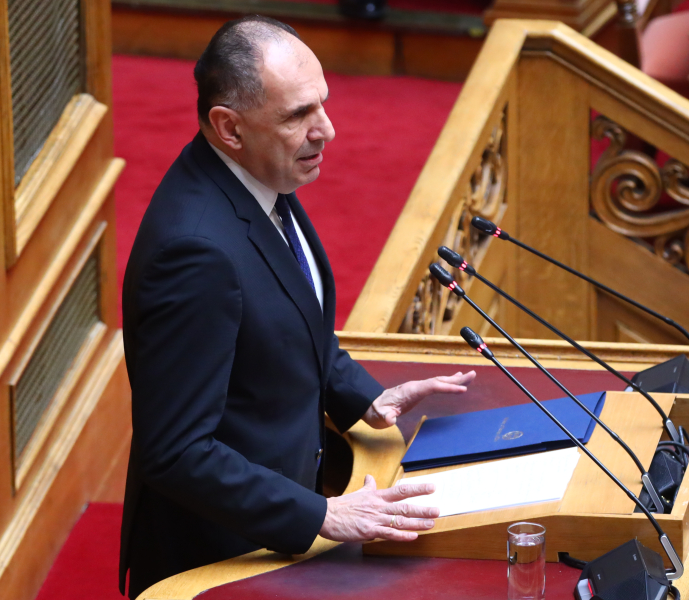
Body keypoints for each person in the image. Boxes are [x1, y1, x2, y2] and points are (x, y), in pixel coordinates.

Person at [118, 16, 475, 599]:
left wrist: (365, 397)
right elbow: (176, 452)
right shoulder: (195, 253)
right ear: (229, 127)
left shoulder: (260, 175)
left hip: (278, 524)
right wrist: (323, 515)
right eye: (297, 115)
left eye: (323, 103)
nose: (326, 129)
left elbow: (286, 320)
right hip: (222, 557)